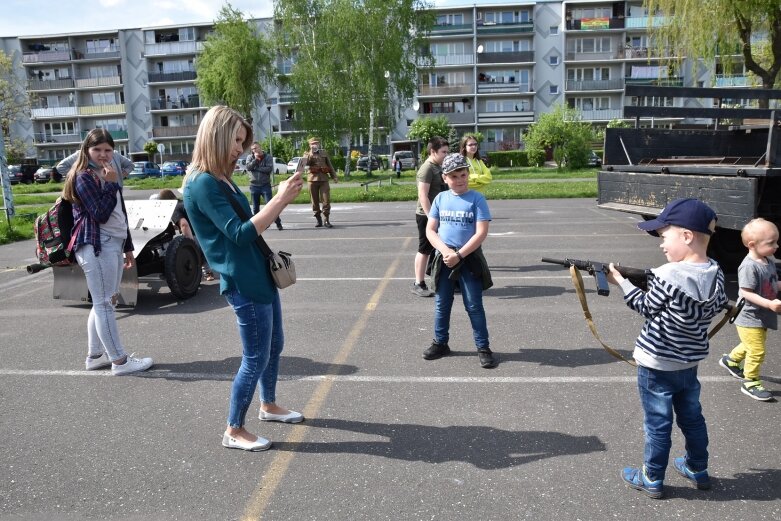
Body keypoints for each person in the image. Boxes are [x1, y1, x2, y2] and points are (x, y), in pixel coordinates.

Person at [183, 105, 305, 452]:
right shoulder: (203, 182)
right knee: (255, 357)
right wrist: (279, 200)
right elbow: (238, 233)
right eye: (236, 140)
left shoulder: (220, 176)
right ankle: (234, 429)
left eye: (242, 141)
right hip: (242, 280)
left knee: (274, 346)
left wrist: (279, 199)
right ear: (217, 136)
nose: (240, 148)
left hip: (258, 273)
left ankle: (268, 405)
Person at [606, 198, 729, 499]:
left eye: (664, 237)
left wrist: (621, 281)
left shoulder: (666, 274)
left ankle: (651, 477)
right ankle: (698, 468)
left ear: (686, 236)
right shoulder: (716, 272)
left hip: (657, 364)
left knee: (658, 425)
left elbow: (645, 306)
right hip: (689, 364)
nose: (662, 245)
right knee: (692, 419)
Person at [61, 128, 154, 376]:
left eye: (108, 150)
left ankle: (95, 355)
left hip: (112, 243)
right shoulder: (83, 177)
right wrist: (111, 185)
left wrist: (128, 247)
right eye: (97, 150)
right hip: (96, 245)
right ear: (86, 150)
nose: (103, 154)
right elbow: (100, 213)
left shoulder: (106, 175)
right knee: (105, 305)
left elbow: (119, 215)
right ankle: (120, 361)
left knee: (103, 303)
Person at [423, 153, 496, 368]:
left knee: (474, 305)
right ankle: (440, 342)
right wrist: (446, 251)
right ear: (445, 178)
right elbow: (431, 230)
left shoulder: (477, 199)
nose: (459, 179)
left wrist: (459, 255)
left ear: (468, 174)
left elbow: (481, 233)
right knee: (441, 304)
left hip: (469, 259)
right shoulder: (440, 199)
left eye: (463, 174)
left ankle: (483, 347)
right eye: (453, 176)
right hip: (444, 258)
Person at [719, 218, 781, 401]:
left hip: (761, 315)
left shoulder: (767, 261)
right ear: (752, 245)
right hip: (749, 316)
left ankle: (730, 360)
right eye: (771, 243)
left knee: (750, 344)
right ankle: (750, 382)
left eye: (776, 241)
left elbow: (771, 284)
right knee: (757, 350)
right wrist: (769, 304)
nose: (776, 246)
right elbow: (745, 293)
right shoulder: (748, 266)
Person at [412, 136, 449, 297]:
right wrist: (431, 218)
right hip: (426, 215)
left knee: (441, 247)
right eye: (443, 152)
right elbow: (423, 196)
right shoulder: (426, 168)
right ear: (433, 151)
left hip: (439, 214)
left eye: (448, 152)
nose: (446, 155)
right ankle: (418, 284)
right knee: (425, 249)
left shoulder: (438, 166)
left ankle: (443, 279)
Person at [157, 188, 215, 281]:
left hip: (195, 236)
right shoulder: (184, 203)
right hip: (206, 234)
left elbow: (184, 225)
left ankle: (167, 271)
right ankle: (208, 272)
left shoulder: (174, 208)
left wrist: (189, 244)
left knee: (170, 247)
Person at [296, 137, 338, 228]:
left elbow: (329, 165)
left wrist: (334, 176)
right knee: (314, 202)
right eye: (312, 144)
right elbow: (303, 166)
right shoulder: (306, 154)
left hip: (324, 179)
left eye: (316, 143)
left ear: (319, 144)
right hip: (312, 180)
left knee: (326, 200)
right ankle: (318, 219)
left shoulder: (324, 153)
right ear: (309, 145)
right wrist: (311, 152)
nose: (315, 145)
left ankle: (326, 220)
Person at [246, 143, 283, 230]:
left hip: (265, 185)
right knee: (255, 208)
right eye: (253, 149)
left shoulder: (268, 157)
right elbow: (248, 167)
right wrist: (255, 159)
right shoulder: (250, 157)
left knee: (270, 206)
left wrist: (256, 168)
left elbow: (269, 169)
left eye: (256, 148)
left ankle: (278, 223)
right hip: (254, 185)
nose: (254, 150)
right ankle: (257, 226)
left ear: (260, 147)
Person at [58, 149, 134, 186]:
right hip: (90, 195)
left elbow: (130, 165)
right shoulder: (81, 154)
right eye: (97, 148)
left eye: (107, 149)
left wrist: (118, 176)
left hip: (115, 194)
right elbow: (61, 167)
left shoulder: (114, 154)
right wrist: (82, 176)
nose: (103, 154)